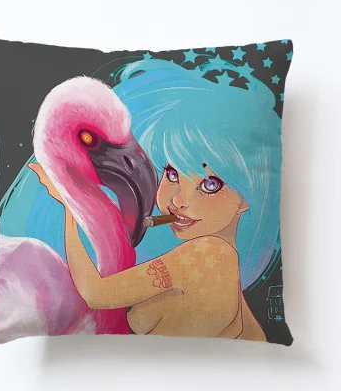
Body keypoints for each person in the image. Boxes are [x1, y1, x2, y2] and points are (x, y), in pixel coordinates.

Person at [26, 58, 282, 340]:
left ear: (246, 197)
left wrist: (69, 208)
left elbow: (95, 293)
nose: (179, 200)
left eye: (210, 184)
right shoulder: (223, 265)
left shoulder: (207, 254)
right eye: (171, 174)